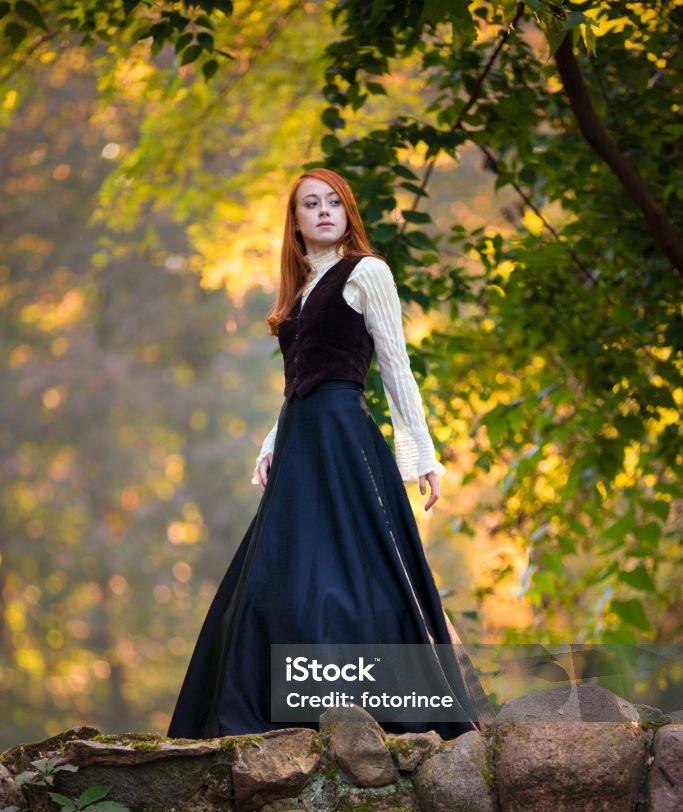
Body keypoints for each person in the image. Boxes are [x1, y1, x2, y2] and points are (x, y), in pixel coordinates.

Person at [167, 168, 491, 741]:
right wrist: (272, 443)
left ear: (347, 213)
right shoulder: (300, 289)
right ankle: (278, 712)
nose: (323, 211)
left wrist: (419, 453)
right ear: (294, 222)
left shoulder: (368, 272)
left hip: (342, 435)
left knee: (358, 571)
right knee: (279, 574)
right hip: (300, 439)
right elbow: (298, 377)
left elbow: (395, 366)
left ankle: (376, 706)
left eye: (333, 202)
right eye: (310, 204)